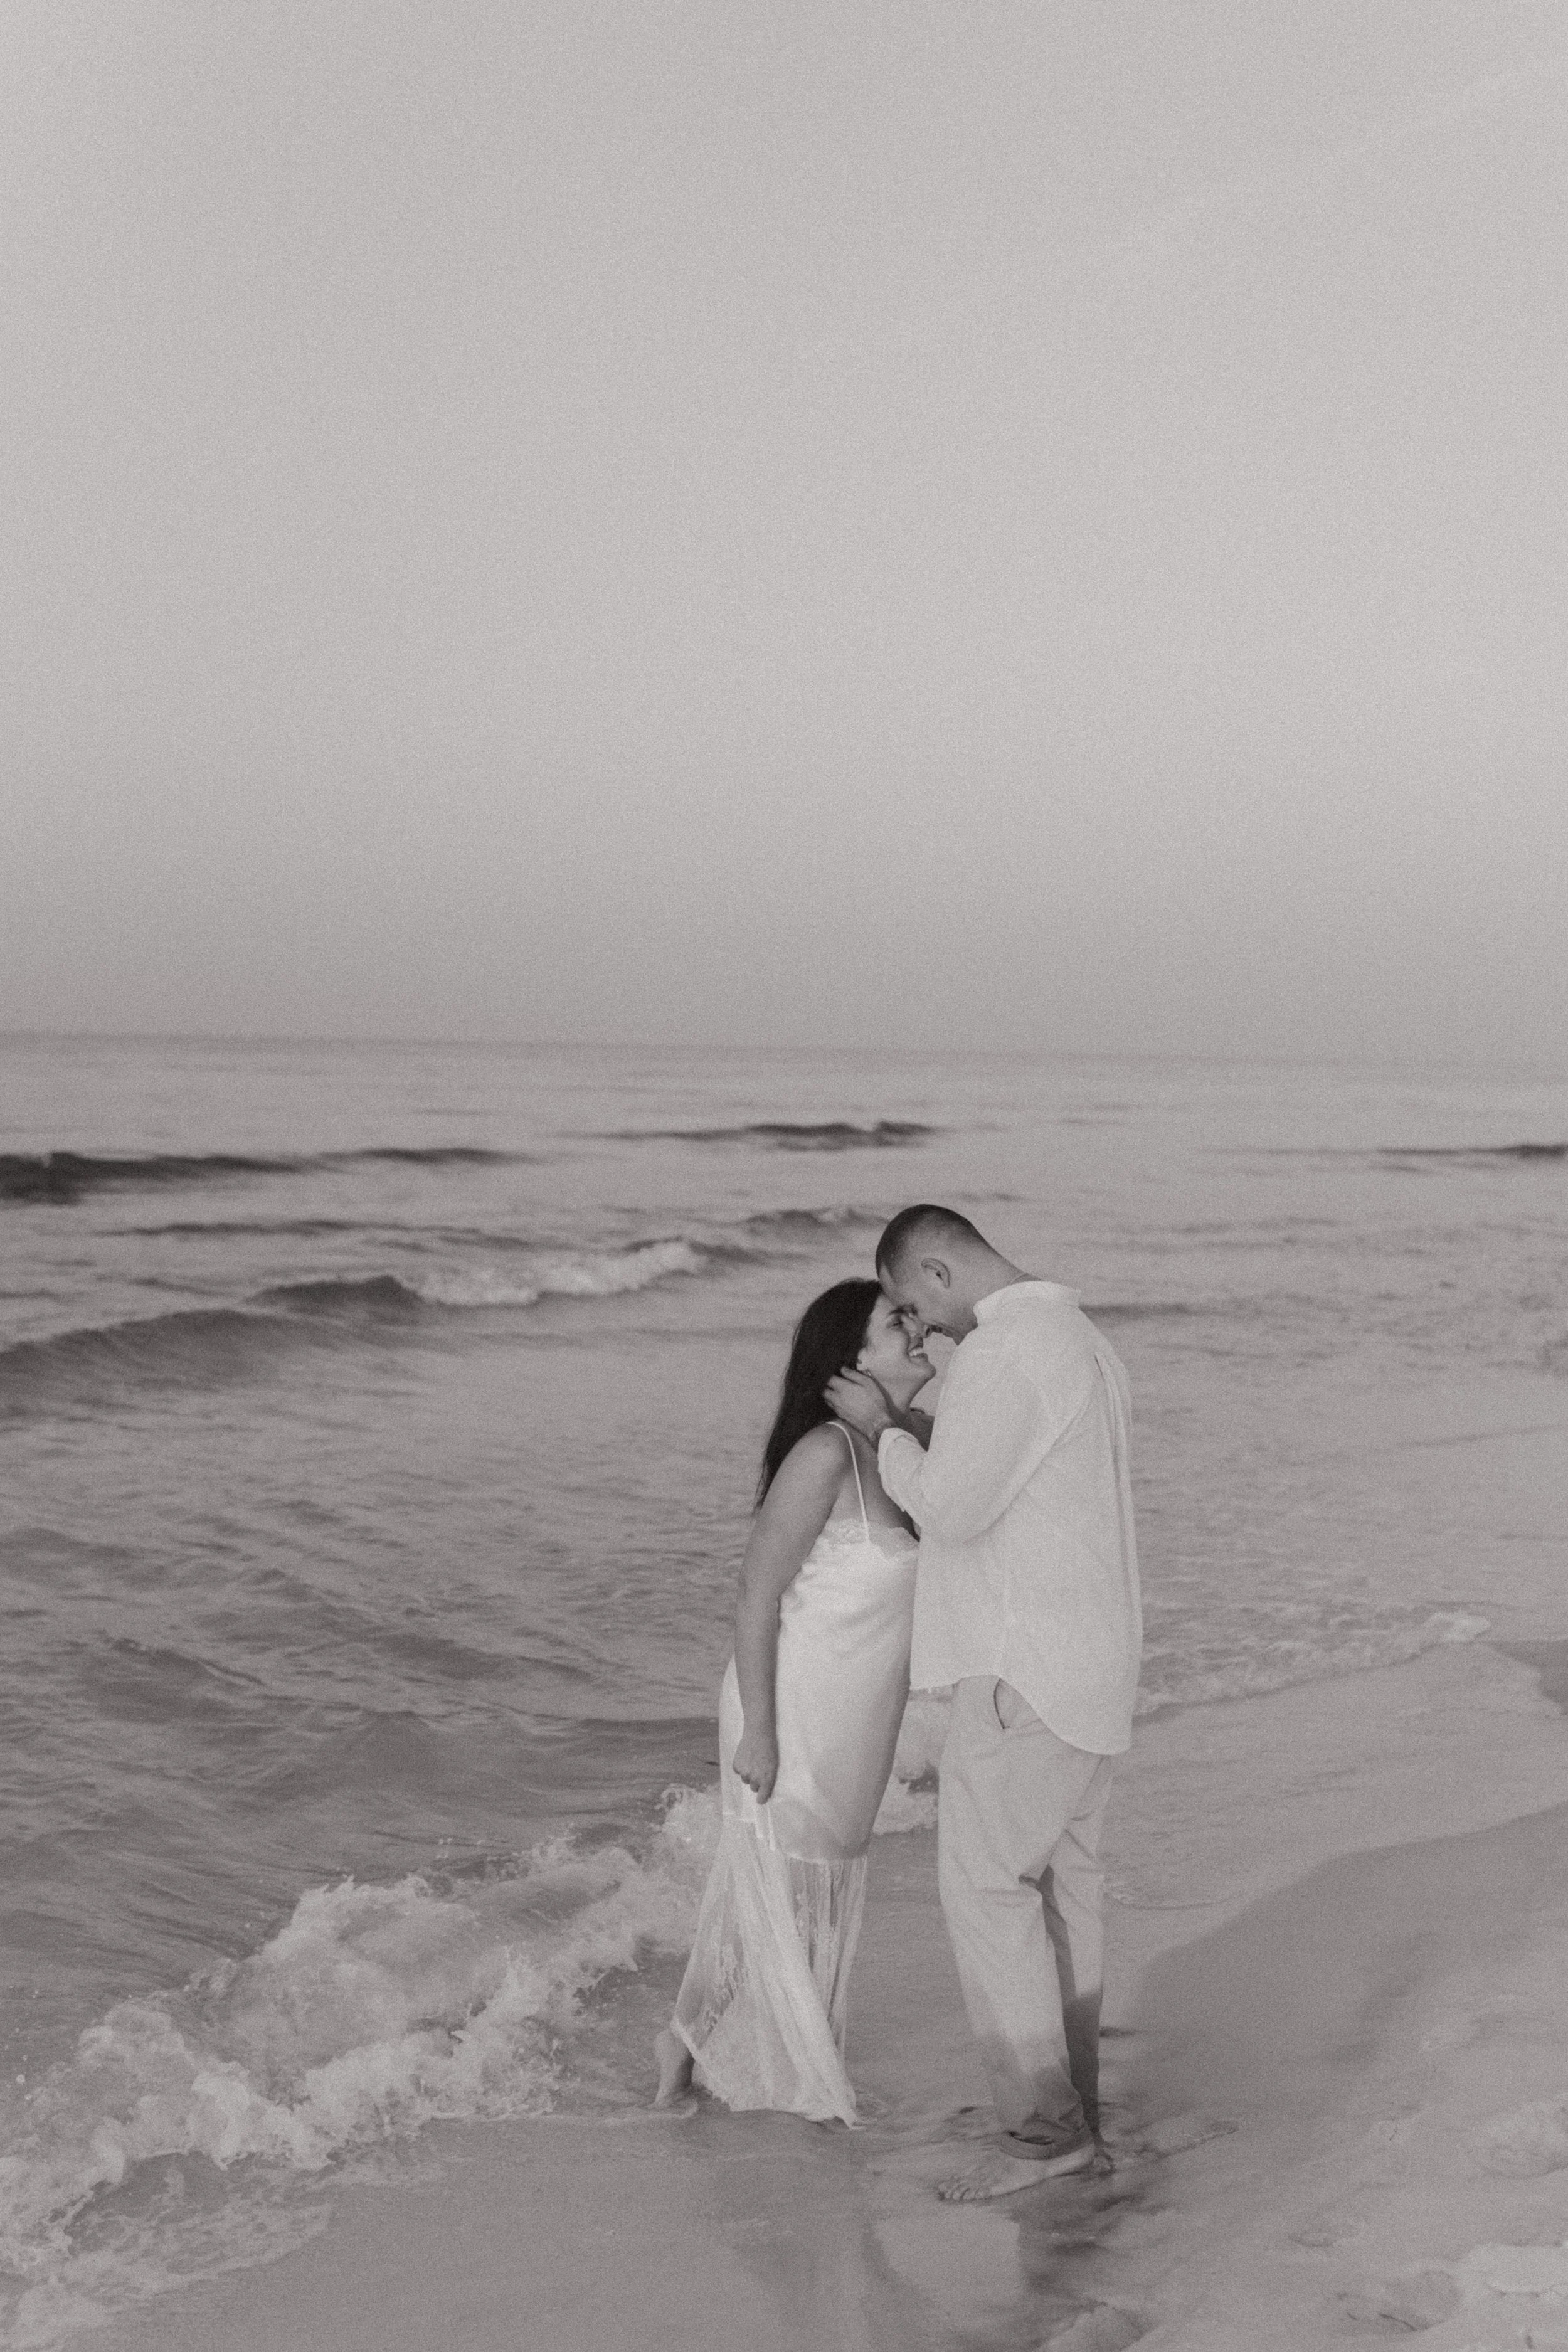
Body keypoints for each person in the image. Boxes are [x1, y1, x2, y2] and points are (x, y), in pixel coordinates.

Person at [825, 1205, 1141, 2200]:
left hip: (1026, 1669)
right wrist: (919, 1433)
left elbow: (954, 1507)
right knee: (1062, 1896)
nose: (922, 1331)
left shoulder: (1010, 1349)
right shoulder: (1080, 1339)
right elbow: (1000, 1480)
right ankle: (1071, 2110)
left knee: (987, 1890)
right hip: (1089, 1670)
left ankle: (1045, 2135)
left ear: (936, 1264)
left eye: (916, 1305)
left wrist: (881, 1430)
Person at [654, 1278, 934, 2121]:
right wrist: (762, 1734)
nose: (918, 1332)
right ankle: (816, 2084)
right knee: (791, 1889)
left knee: (811, 1885)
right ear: (852, 1360)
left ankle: (687, 2040)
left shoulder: (901, 1446)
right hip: (794, 1705)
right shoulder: (825, 1455)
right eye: (898, 1323)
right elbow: (755, 1593)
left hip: (860, 1714)